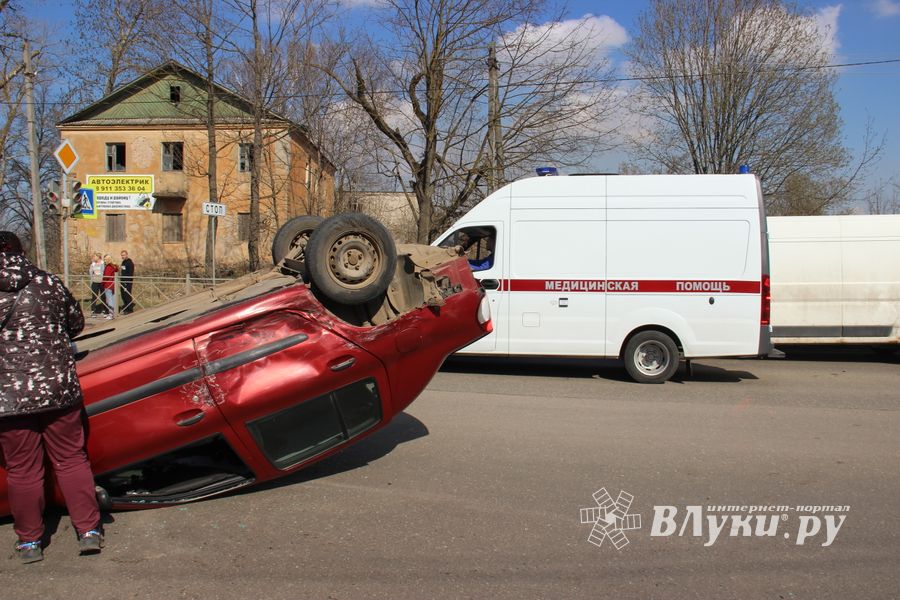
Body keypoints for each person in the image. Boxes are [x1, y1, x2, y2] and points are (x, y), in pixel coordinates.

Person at [0, 231, 104, 564]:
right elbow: (76, 322)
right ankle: (89, 531)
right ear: (22, 251)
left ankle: (30, 542)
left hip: (9, 397)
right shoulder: (47, 283)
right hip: (58, 388)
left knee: (21, 470)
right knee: (71, 459)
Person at [101, 254, 118, 319]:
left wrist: (102, 283)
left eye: (105, 259)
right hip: (113, 284)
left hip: (108, 284)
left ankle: (111, 314)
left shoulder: (108, 267)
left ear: (108, 259)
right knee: (113, 299)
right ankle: (113, 313)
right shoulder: (114, 266)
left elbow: (106, 276)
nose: (104, 261)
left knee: (110, 300)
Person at [119, 250, 135, 314]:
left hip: (127, 282)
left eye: (124, 255)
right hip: (122, 281)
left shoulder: (130, 263)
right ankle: (126, 308)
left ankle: (130, 309)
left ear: (127, 255)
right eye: (122, 255)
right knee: (123, 295)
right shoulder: (123, 262)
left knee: (127, 295)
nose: (122, 256)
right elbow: (123, 271)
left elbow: (130, 273)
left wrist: (126, 282)